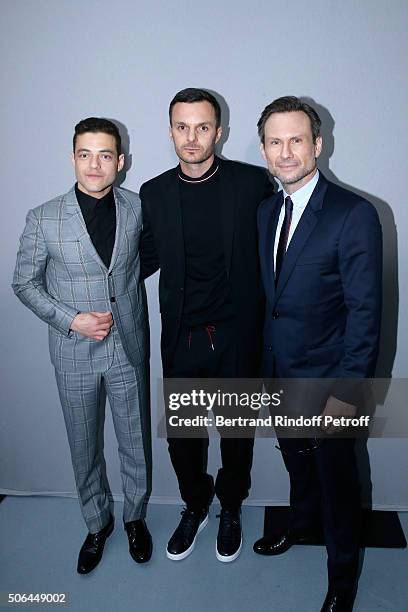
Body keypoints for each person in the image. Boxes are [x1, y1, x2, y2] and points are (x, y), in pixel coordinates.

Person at [254, 97, 382, 611]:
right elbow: (277, 301)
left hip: (332, 386)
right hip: (281, 376)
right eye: (275, 141)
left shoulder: (354, 214)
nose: (286, 152)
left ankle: (342, 580)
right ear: (264, 150)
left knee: (339, 485)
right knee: (297, 466)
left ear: (318, 145)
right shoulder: (266, 211)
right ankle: (299, 525)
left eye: (297, 140)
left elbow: (365, 312)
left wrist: (349, 395)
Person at [12, 118, 152, 574]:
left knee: (135, 442)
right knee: (83, 445)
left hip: (127, 347)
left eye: (105, 155)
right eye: (86, 154)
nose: (95, 164)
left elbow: (134, 269)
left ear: (121, 162)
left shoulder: (135, 208)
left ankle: (134, 518)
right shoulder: (43, 217)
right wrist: (73, 319)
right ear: (73, 158)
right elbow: (24, 284)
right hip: (74, 351)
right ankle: (97, 524)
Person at [140, 88, 272, 562]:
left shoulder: (253, 184)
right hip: (183, 336)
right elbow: (138, 260)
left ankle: (230, 507)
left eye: (202, 127)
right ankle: (195, 505)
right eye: (182, 127)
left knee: (237, 434)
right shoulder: (153, 193)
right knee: (184, 438)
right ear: (171, 130)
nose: (191, 137)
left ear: (219, 131)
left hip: (236, 335)